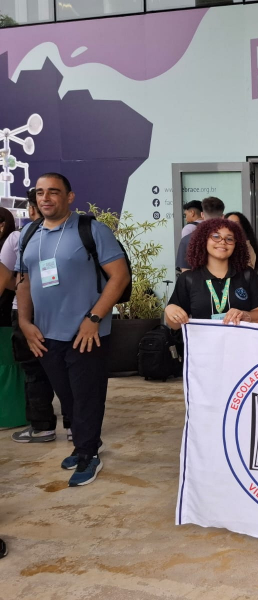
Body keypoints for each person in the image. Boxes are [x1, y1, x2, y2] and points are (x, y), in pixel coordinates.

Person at [16, 173, 131, 487]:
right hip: (45, 334)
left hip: (87, 333)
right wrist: (25, 324)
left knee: (87, 397)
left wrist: (93, 318)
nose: (46, 198)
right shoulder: (28, 234)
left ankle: (88, 453)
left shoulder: (91, 230)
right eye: (40, 193)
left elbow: (118, 277)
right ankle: (84, 443)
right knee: (67, 397)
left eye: (53, 192)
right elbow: (23, 282)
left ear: (69, 197)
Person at [4, 192, 65, 443]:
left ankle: (42, 426)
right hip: (61, 309)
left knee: (34, 370)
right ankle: (74, 427)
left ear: (30, 210)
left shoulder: (19, 236)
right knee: (66, 367)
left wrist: (26, 285)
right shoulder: (68, 232)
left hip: (26, 310)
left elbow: (8, 277)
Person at [165, 219, 258, 328]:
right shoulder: (188, 278)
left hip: (240, 342)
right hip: (202, 343)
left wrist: (245, 315)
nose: (222, 242)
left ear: (236, 245)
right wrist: (169, 311)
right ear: (203, 240)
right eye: (216, 236)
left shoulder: (247, 274)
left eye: (229, 239)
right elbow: (175, 326)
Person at [0, 207, 26, 430]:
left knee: (9, 366)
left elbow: (10, 282)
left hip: (6, 315)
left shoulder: (13, 240)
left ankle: (12, 415)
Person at [176, 197, 225, 272]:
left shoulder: (186, 240)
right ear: (222, 217)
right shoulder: (230, 240)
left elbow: (185, 272)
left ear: (202, 215)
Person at [224, 212, 258, 278]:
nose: (231, 227)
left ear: (243, 227)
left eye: (236, 224)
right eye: (228, 223)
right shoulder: (221, 244)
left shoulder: (247, 247)